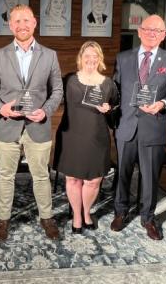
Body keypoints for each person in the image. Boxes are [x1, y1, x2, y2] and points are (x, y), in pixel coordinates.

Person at [0, 4, 63, 242]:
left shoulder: (49, 55)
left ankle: (46, 217)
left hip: (38, 126)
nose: (22, 25)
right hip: (8, 125)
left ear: (34, 22)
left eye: (26, 20)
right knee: (5, 175)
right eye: (16, 21)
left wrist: (46, 111)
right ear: (10, 25)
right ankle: (3, 220)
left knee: (41, 176)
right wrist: (1, 108)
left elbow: (57, 90)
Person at [111, 14, 166, 240]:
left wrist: (163, 104)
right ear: (139, 31)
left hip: (153, 127)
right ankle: (121, 211)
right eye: (148, 29)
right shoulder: (123, 58)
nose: (152, 33)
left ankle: (148, 218)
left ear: (164, 35)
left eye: (158, 30)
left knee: (150, 176)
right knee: (122, 172)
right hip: (126, 125)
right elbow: (115, 89)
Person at [55, 41, 118, 234]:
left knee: (93, 181)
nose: (91, 59)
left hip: (97, 138)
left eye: (95, 56)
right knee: (73, 179)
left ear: (100, 59)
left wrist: (109, 109)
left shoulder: (109, 84)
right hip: (72, 136)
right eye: (87, 56)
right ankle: (76, 215)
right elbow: (53, 97)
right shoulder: (69, 80)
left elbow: (115, 108)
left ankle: (87, 212)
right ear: (80, 58)